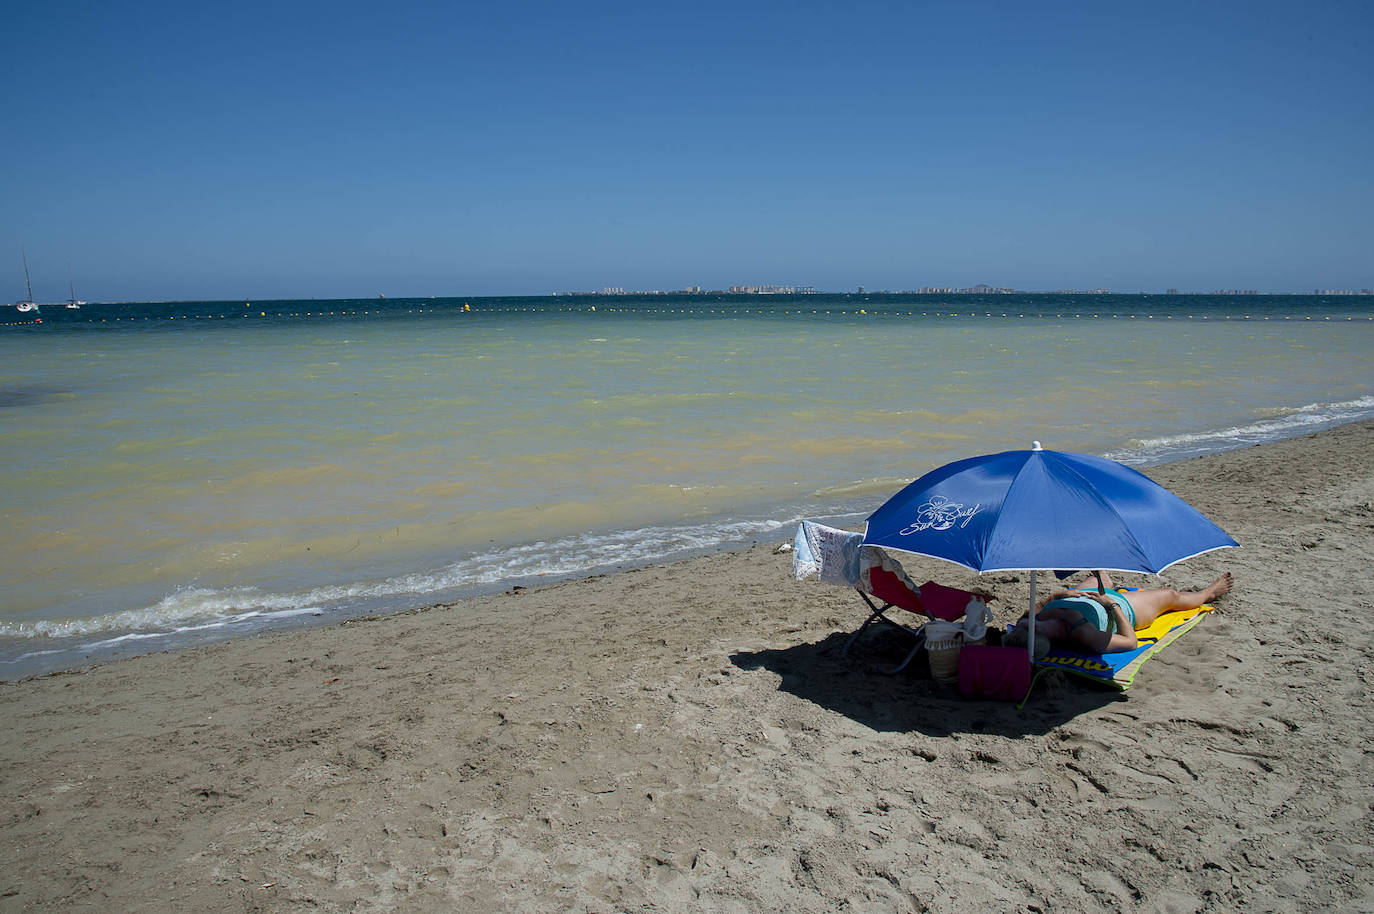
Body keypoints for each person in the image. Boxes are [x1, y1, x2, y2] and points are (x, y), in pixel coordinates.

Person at [1006, 570, 1233, 655]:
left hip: (1084, 596)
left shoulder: (1034, 620)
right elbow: (1130, 641)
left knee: (1100, 576)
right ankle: (1209, 592)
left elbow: (1038, 607)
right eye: (1024, 627)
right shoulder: (1084, 634)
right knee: (1170, 595)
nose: (1020, 623)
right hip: (1120, 606)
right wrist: (1111, 605)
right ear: (1039, 632)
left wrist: (1058, 596)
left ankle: (1104, 581)